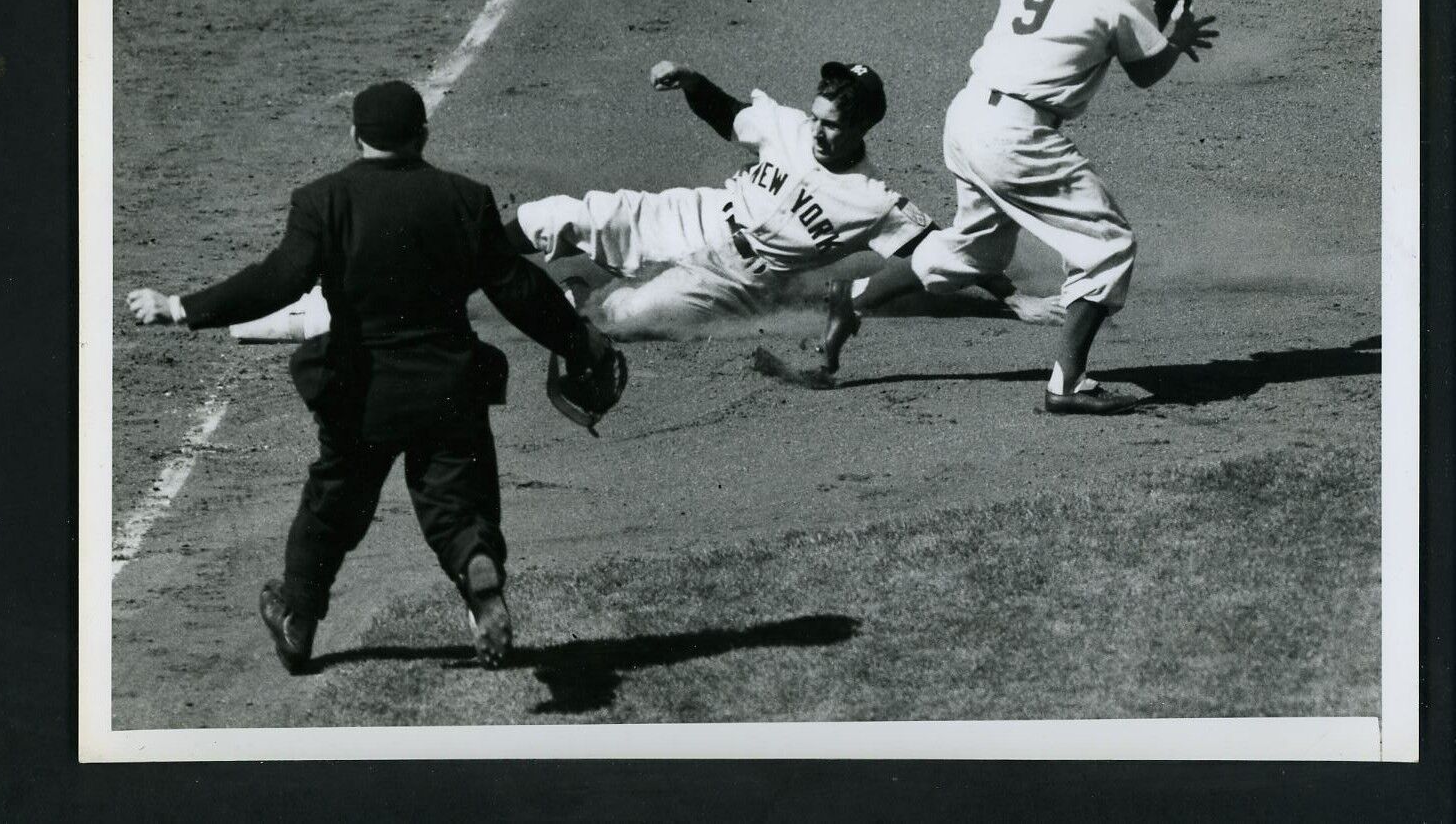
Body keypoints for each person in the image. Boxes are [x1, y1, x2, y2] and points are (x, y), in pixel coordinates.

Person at [126, 80, 616, 674]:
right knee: (457, 502)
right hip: (449, 388)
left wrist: (181, 307)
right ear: (423, 135)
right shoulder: (465, 199)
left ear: (354, 136)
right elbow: (518, 289)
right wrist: (576, 342)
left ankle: (299, 615)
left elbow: (275, 281)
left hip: (361, 394)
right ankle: (476, 561)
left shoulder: (323, 202)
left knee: (334, 504)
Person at [819, 0, 1218, 414]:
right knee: (1109, 245)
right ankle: (1068, 385)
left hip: (965, 117)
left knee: (976, 251)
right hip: (1016, 135)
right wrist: (1174, 38)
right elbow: (1145, 73)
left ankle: (853, 299)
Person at [504, 59, 1059, 335]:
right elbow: (728, 115)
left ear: (863, 126)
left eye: (834, 125)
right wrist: (690, 79)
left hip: (735, 280)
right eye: (817, 117)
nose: (819, 131)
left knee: (624, 316)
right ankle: (452, 263)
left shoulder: (874, 203)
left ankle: (583, 291)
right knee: (554, 216)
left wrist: (1012, 300)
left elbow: (948, 251)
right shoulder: (785, 126)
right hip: (693, 216)